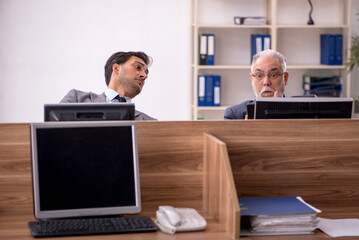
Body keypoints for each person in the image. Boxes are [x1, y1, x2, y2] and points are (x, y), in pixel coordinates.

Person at [60, 51, 156, 120]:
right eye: (137, 67)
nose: (144, 75)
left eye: (146, 72)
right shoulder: (77, 99)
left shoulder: (149, 123)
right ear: (116, 68)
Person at [224, 49, 289, 119]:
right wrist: (247, 130)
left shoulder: (301, 111)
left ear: (285, 78)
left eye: (273, 75)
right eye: (259, 75)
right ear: (252, 79)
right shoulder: (235, 114)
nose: (266, 82)